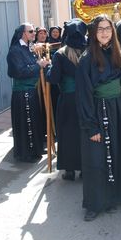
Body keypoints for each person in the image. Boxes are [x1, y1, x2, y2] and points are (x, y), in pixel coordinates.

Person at [76, 15, 121, 221]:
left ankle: (112, 198)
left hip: (116, 109)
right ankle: (95, 203)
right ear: (93, 33)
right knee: (97, 158)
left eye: (108, 29)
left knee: (116, 152)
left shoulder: (116, 54)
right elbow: (83, 95)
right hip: (97, 110)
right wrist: (91, 126)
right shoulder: (86, 59)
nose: (104, 33)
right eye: (100, 29)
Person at [46, 20, 87, 180]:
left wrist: (47, 68)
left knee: (68, 133)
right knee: (84, 132)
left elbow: (54, 78)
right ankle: (85, 168)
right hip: (85, 99)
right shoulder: (89, 52)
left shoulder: (60, 54)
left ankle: (69, 169)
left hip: (68, 100)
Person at [7, 23, 50, 162]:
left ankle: (35, 149)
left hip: (31, 90)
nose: (34, 33)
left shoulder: (29, 48)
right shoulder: (15, 50)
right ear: (23, 33)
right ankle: (27, 153)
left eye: (34, 31)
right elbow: (19, 72)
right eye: (31, 31)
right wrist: (38, 65)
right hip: (22, 92)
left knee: (35, 121)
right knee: (27, 123)